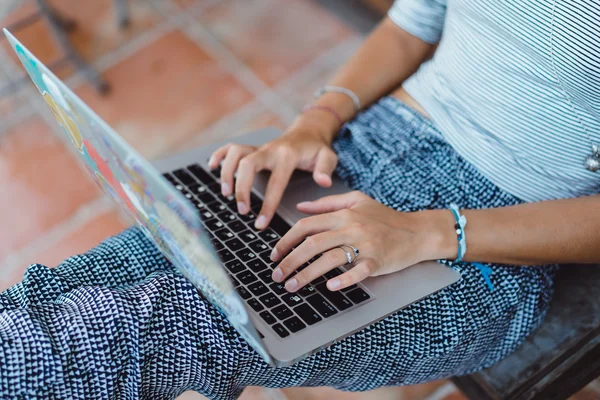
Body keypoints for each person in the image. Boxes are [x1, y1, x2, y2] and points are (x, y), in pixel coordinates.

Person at [2, 0, 599, 399]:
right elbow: (415, 20)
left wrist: (430, 233)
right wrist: (314, 123)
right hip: (356, 146)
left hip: (486, 243)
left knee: (139, 331)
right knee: (69, 285)